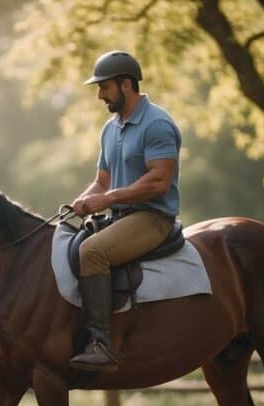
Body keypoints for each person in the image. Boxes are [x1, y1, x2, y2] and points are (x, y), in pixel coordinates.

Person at [69, 50, 182, 374]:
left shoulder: (157, 123)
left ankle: (101, 346)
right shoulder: (110, 128)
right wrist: (80, 202)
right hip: (120, 216)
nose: (100, 95)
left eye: (104, 87)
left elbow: (159, 181)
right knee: (66, 241)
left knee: (92, 252)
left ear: (126, 85)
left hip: (152, 217)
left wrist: (110, 198)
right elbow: (101, 182)